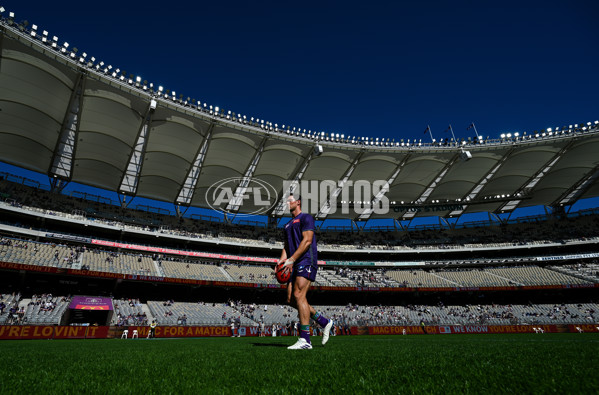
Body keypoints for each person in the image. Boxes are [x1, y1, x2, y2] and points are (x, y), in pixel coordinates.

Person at [279, 194, 333, 350]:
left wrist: (292, 259)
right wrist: (281, 261)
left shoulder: (306, 218)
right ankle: (324, 322)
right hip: (294, 262)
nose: (287, 203)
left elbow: (307, 240)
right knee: (290, 299)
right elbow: (287, 247)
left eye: (290, 201)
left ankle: (305, 340)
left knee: (298, 295)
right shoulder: (287, 225)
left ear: (298, 202)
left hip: (305, 260)